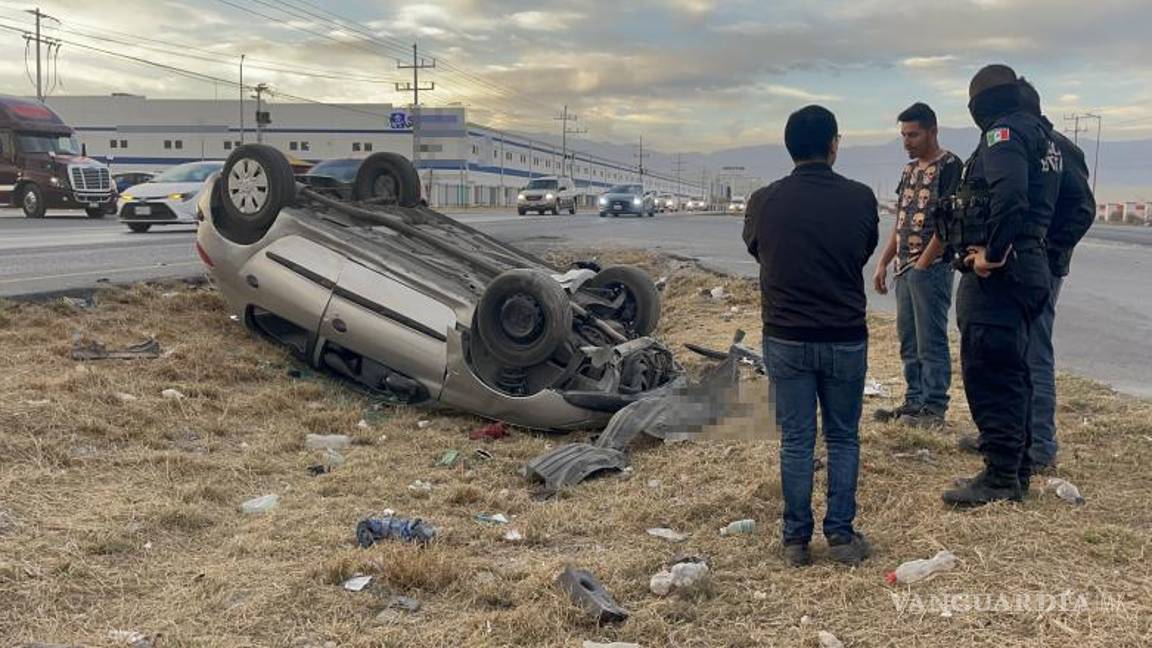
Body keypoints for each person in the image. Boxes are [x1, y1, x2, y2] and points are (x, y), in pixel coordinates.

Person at [742, 105, 879, 565]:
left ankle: (795, 541)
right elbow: (861, 250)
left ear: (789, 146)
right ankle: (841, 536)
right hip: (844, 335)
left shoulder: (763, 200)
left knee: (796, 440)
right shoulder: (861, 198)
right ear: (833, 144)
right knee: (843, 437)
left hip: (786, 336)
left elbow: (759, 251)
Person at [956, 79, 1096, 470]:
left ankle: (1038, 448)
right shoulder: (1028, 141)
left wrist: (1045, 253)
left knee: (1032, 354)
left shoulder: (1051, 146)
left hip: (1031, 266)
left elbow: (1082, 208)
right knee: (1010, 355)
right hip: (1021, 262)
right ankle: (1011, 438)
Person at [941, 65, 1062, 507]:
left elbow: (1010, 196)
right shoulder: (1044, 137)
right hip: (1030, 266)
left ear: (981, 104)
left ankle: (1000, 476)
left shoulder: (1004, 134)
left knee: (990, 371)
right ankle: (1017, 469)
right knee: (1016, 373)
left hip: (1002, 276)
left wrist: (991, 254)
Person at [873, 103, 963, 428]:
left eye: (913, 134)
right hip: (903, 267)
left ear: (932, 131)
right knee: (909, 338)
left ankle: (934, 407)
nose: (907, 141)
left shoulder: (951, 166)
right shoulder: (909, 171)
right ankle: (914, 401)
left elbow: (949, 221)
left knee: (931, 339)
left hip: (932, 267)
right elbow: (902, 219)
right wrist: (883, 262)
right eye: (903, 135)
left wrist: (924, 263)